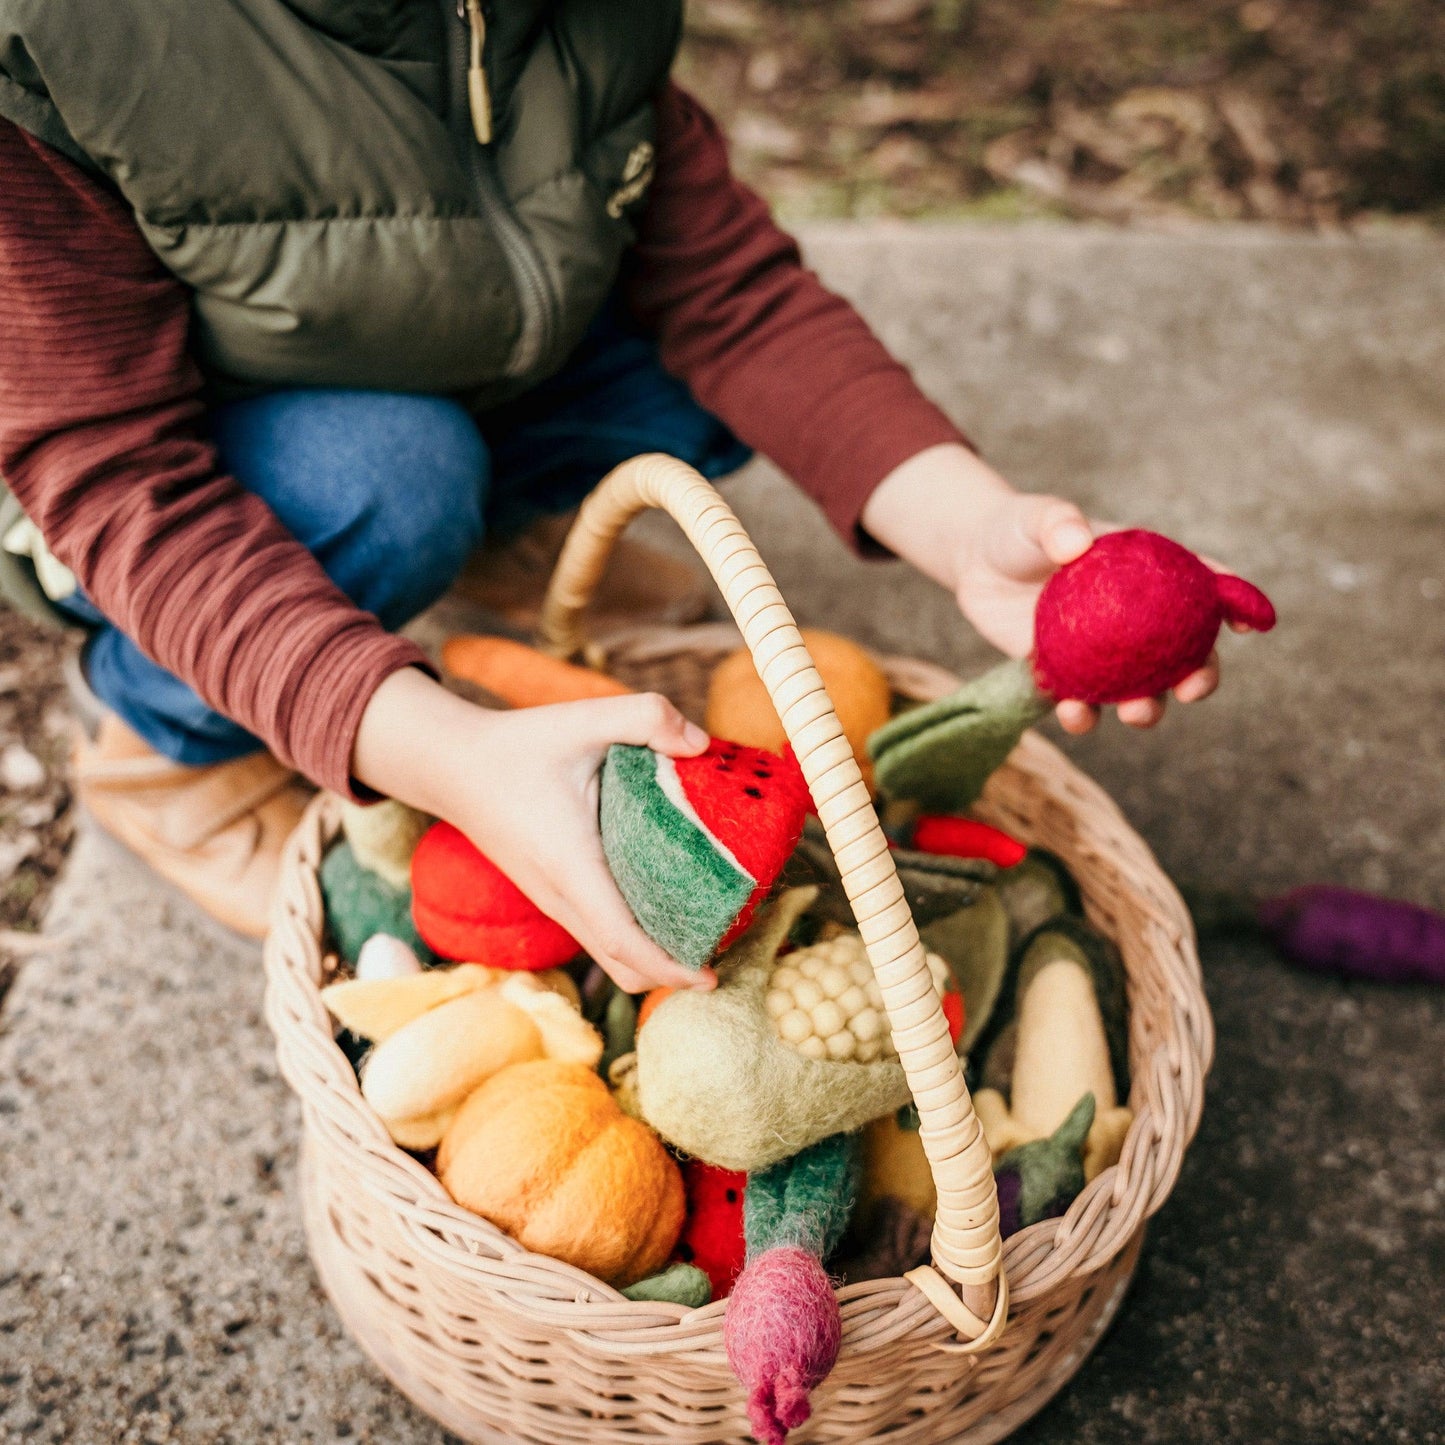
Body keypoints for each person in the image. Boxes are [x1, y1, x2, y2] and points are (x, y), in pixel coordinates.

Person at [0, 1, 1224, 993]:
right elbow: (116, 475)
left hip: (443, 328)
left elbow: (727, 290)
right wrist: (451, 754)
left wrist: (965, 526)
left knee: (693, 395)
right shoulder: (68, 38)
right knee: (401, 482)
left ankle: (499, 531)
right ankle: (165, 743)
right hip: (167, 468)